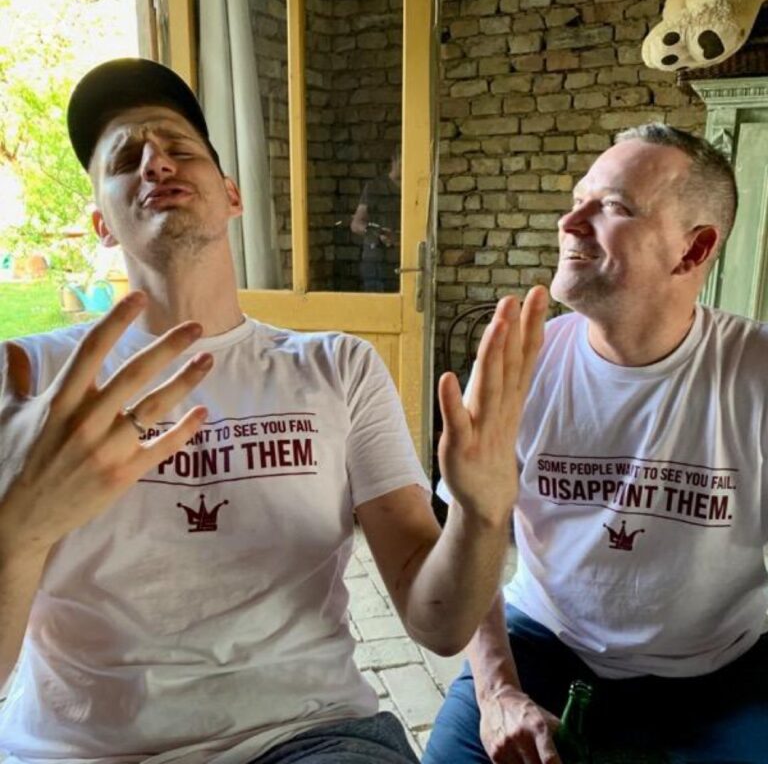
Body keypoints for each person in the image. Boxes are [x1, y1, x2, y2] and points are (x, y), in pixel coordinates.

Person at [0, 58, 548, 763]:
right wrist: (18, 530)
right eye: (126, 160)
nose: (156, 162)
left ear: (231, 195)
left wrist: (481, 515)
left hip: (309, 736)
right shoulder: (28, 381)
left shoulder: (338, 368)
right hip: (78, 749)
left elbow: (436, 625)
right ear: (102, 224)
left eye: (179, 147)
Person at [424, 124, 768, 764]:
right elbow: (471, 549)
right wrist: (497, 691)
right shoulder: (521, 367)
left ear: (693, 250)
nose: (570, 222)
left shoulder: (755, 372)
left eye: (613, 206)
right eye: (578, 199)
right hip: (542, 644)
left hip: (722, 674)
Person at [349, 145, 401, 292]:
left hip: (404, 262)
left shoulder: (415, 188)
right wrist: (377, 233)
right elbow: (356, 223)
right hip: (377, 261)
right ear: (394, 160)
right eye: (403, 162)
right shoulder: (375, 187)